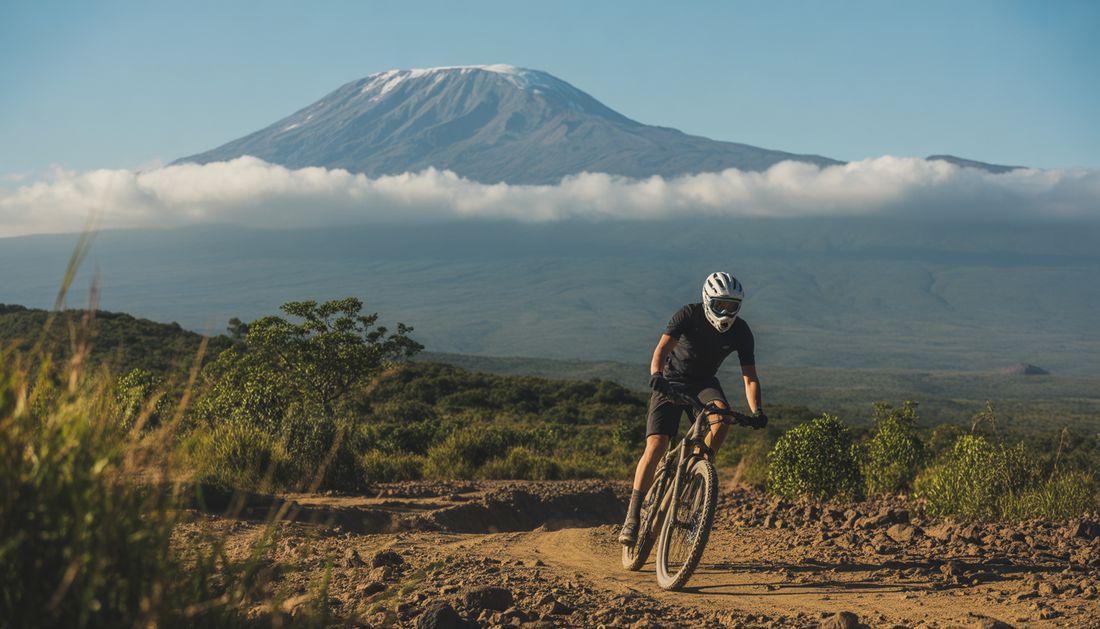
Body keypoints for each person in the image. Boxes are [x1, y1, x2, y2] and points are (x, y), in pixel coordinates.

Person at [619, 271, 767, 545]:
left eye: (731, 306)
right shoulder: (688, 314)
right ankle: (632, 517)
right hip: (671, 381)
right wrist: (656, 375)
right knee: (656, 446)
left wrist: (757, 411)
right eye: (719, 305)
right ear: (707, 300)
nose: (725, 312)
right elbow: (662, 350)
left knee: (723, 419)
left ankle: (696, 471)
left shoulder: (742, 331)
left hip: (704, 383)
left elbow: (750, 378)